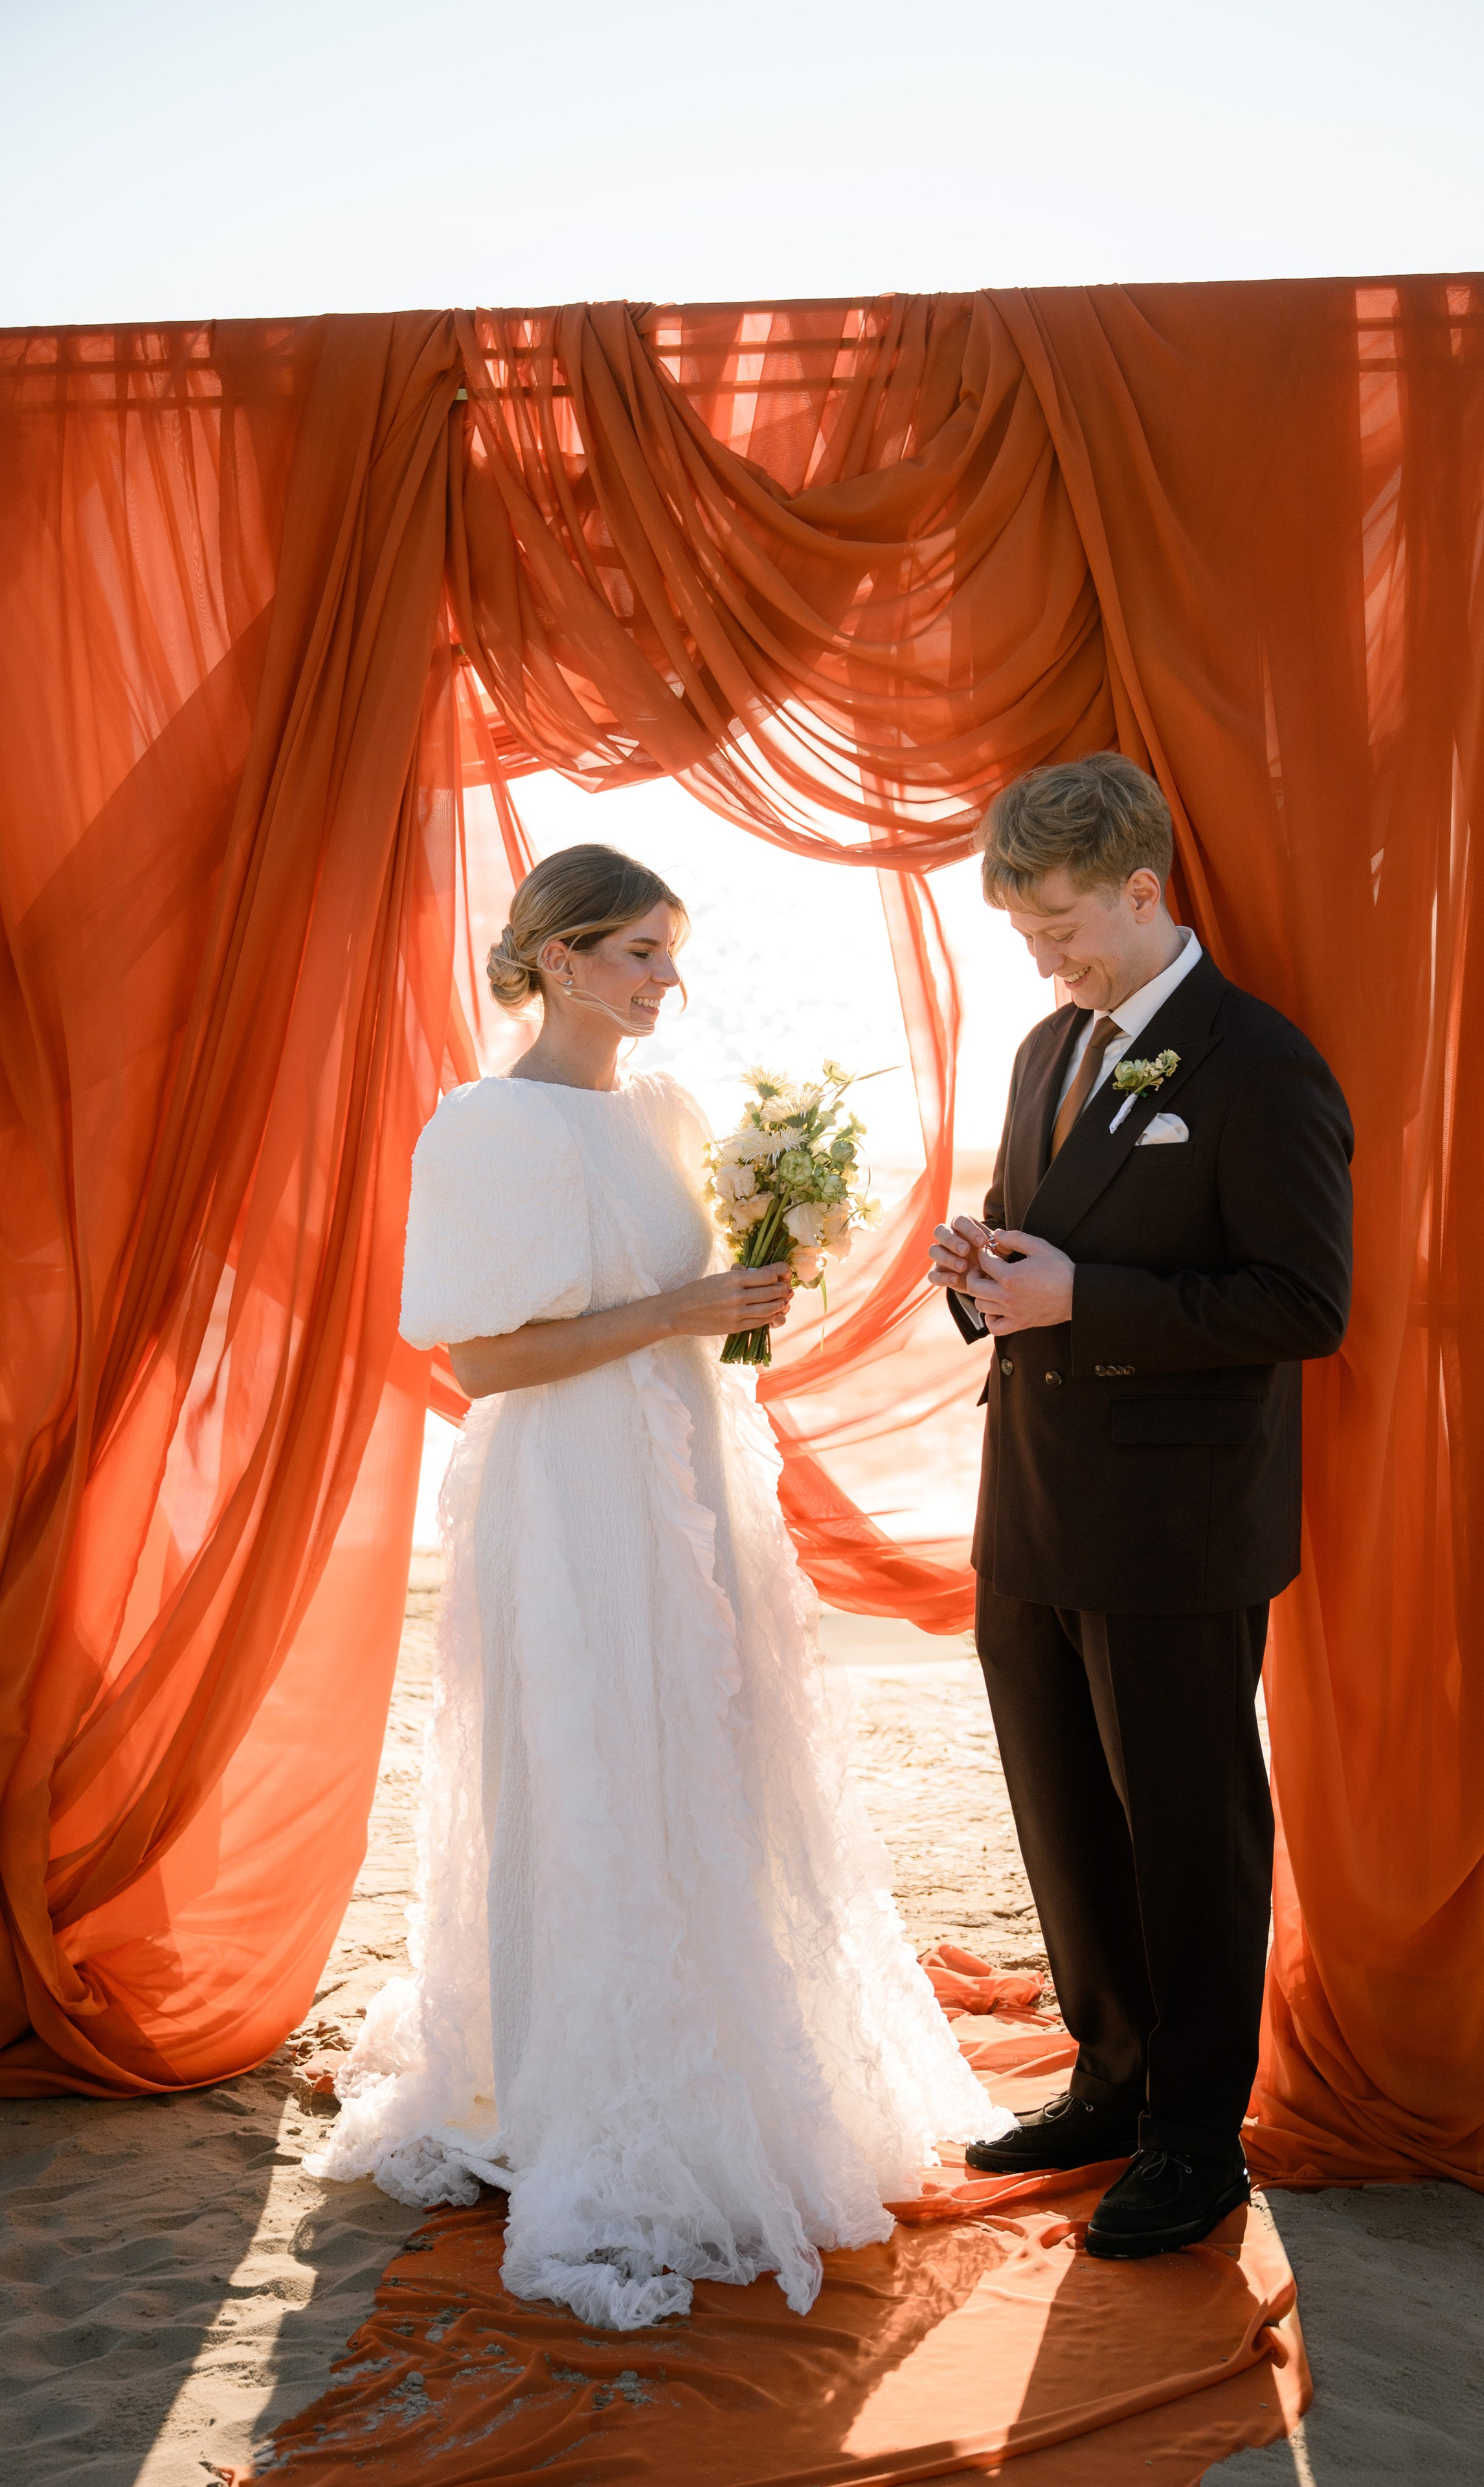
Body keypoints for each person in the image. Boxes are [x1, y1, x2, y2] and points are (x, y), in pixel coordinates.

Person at [310, 843, 991, 2329]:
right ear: (556, 959)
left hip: (686, 1480)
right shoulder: (487, 1127)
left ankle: (720, 2060)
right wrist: (680, 1306)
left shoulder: (670, 1112)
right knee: (590, 1775)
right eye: (636, 952)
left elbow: (692, 1307)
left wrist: (755, 1282)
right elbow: (480, 1362)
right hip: (568, 1499)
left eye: (669, 952)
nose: (666, 980)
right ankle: (579, 2088)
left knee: (711, 1763)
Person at [928, 755, 1354, 2260]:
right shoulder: (1047, 1048)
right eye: (1021, 932)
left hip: (1178, 1525)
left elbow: (1301, 1303)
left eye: (1057, 927)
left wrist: (1083, 1298)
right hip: (1031, 1502)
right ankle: (1110, 2081)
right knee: (1061, 1811)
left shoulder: (1260, 1063)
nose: (1040, 959)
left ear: (1140, 891)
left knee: (1187, 1828)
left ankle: (1191, 2135)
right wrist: (983, 1271)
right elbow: (1039, 1245)